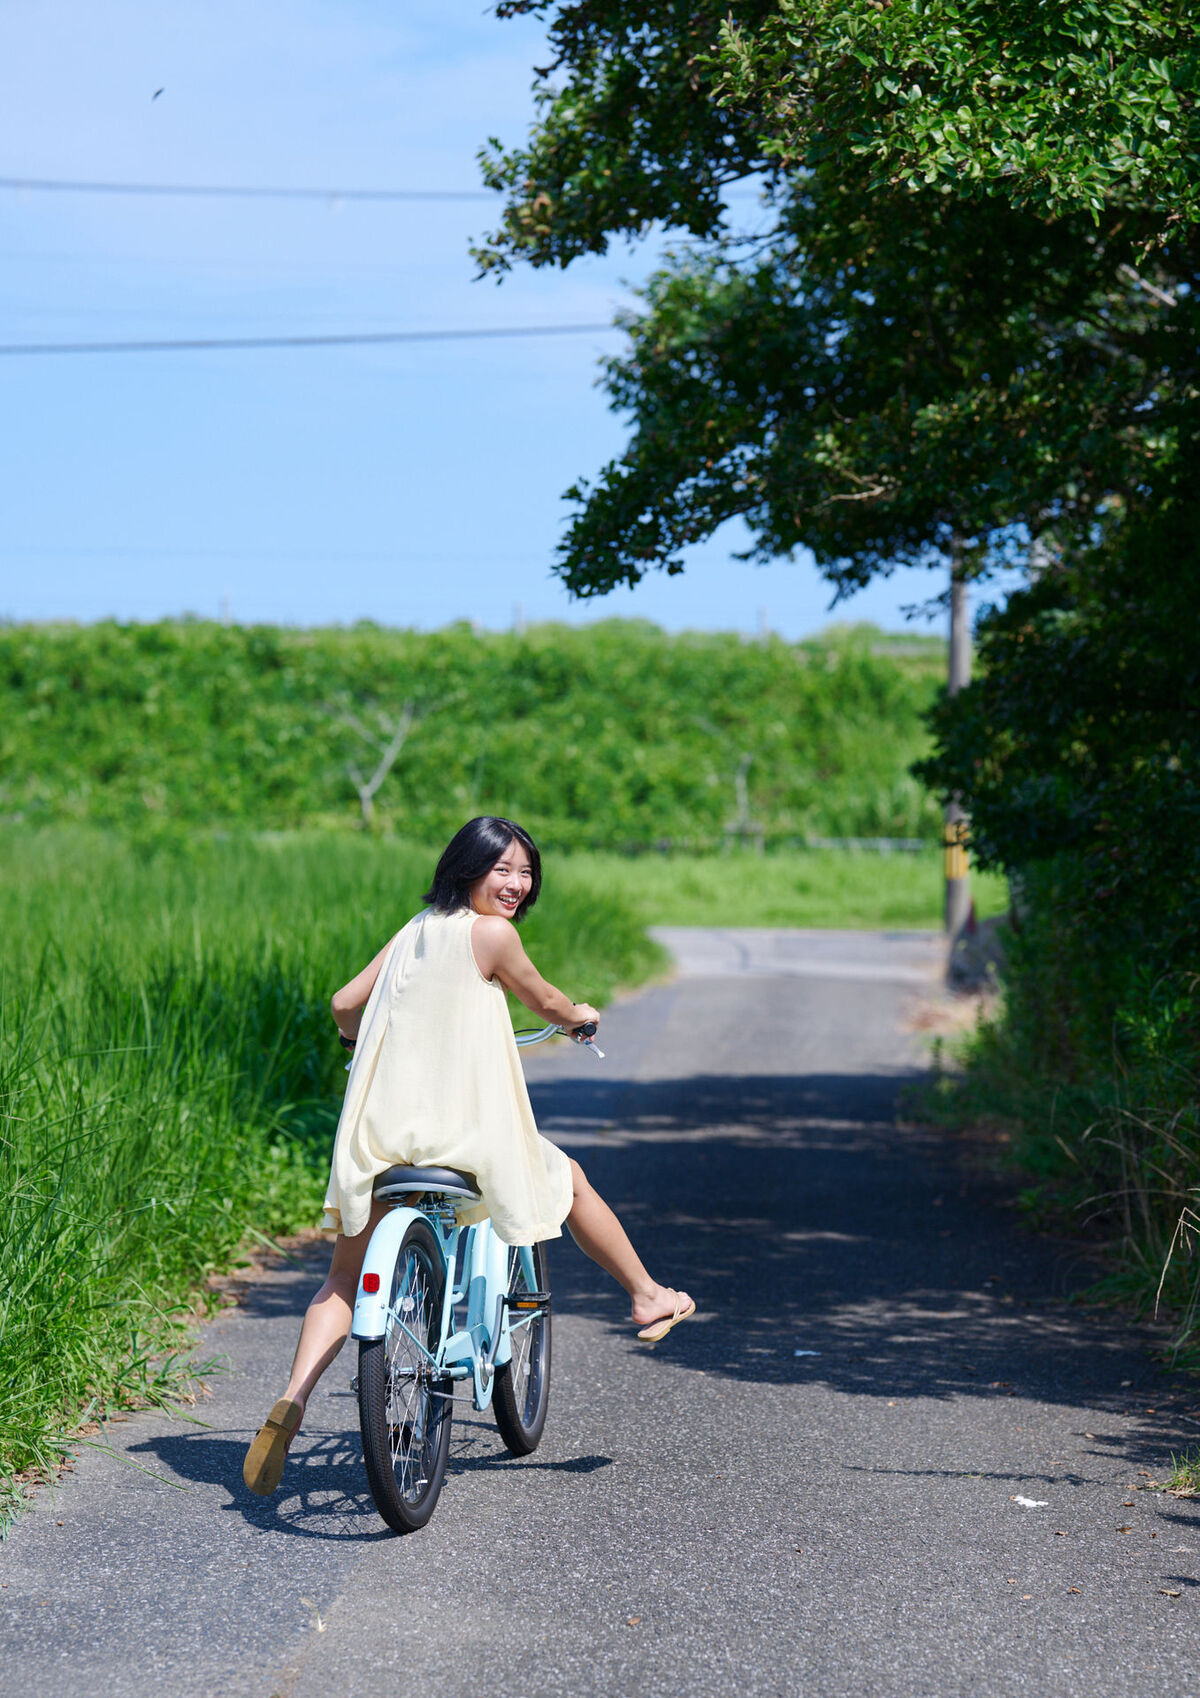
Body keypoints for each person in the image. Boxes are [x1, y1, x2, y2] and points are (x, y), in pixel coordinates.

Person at [243, 816, 694, 1496]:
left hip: (381, 1136)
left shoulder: (415, 931)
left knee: (343, 1277)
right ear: (468, 870)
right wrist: (578, 1016)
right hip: (462, 1135)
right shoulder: (492, 935)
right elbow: (541, 999)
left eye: (524, 872)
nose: (516, 884)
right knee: (566, 1178)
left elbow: (343, 1004)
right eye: (502, 870)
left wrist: (354, 1040)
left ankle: (294, 1400)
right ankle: (648, 1296)